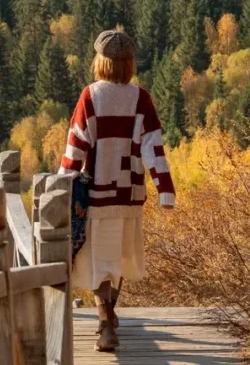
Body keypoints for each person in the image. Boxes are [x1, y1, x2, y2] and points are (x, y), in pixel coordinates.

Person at [59, 29, 175, 353]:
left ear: (101, 61)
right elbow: (154, 147)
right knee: (118, 257)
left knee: (100, 259)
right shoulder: (141, 98)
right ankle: (109, 315)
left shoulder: (90, 96)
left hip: (98, 192)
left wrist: (60, 183)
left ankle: (106, 323)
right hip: (129, 193)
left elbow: (76, 145)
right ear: (129, 64)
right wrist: (165, 189)